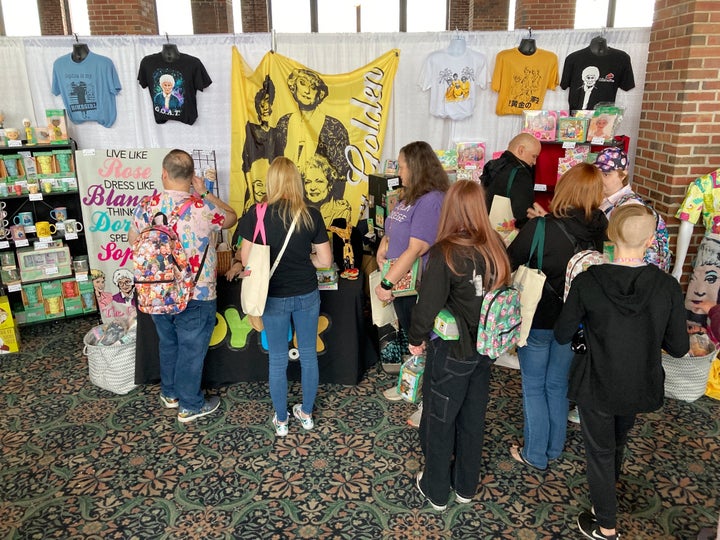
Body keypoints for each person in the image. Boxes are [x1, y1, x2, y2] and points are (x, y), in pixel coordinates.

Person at [554, 204, 688, 540]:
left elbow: (562, 333)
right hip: (639, 379)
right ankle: (608, 490)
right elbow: (679, 347)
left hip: (596, 379)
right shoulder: (666, 285)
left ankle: (606, 525)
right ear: (650, 241)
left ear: (611, 235)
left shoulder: (588, 281)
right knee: (617, 438)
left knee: (599, 449)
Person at [407, 180, 512, 511]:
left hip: (453, 351)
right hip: (485, 350)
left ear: (450, 208)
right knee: (472, 417)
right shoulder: (495, 245)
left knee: (440, 417)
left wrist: (415, 338)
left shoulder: (446, 252)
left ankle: (436, 489)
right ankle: (466, 484)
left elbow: (427, 305)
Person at [506, 162, 608, 470]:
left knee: (534, 385)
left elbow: (510, 260)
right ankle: (553, 448)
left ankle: (535, 454)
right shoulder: (601, 229)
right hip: (574, 321)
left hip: (537, 317)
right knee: (557, 385)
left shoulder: (542, 228)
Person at [129, 149, 237, 423]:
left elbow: (133, 242)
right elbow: (232, 217)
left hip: (157, 291)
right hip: (196, 292)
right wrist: (205, 193)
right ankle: (190, 405)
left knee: (168, 343)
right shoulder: (202, 208)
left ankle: (170, 393)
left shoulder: (146, 207)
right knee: (191, 349)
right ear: (192, 178)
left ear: (164, 173)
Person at [235, 156, 332, 437]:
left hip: (272, 297)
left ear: (272, 181)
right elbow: (325, 260)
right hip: (306, 294)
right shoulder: (310, 214)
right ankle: (307, 414)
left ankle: (281, 420)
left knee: (277, 359)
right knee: (308, 356)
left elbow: (245, 258)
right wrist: (307, 258)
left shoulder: (257, 214)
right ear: (296, 181)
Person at [374, 141, 449, 427]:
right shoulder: (410, 197)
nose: (398, 171)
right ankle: (410, 385)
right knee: (411, 338)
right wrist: (384, 244)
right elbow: (395, 227)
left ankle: (427, 402)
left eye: (402, 165)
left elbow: (417, 247)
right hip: (402, 283)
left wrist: (387, 283)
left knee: (425, 343)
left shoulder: (432, 200)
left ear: (416, 167)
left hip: (416, 284)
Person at [594, 146, 670, 271]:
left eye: (606, 174)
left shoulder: (630, 206)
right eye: (598, 173)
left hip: (632, 275)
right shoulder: (607, 200)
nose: (600, 179)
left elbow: (623, 248)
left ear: (623, 175)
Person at [274, 68, 351, 183]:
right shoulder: (284, 123)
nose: (307, 91)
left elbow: (343, 172)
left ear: (320, 94)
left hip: (321, 196)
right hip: (287, 192)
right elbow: (276, 164)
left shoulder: (334, 127)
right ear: (293, 87)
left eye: (313, 87)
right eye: (303, 83)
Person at [481, 132, 541, 229]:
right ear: (521, 150)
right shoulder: (520, 174)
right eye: (534, 156)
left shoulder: (492, 165)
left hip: (485, 230)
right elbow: (522, 214)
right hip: (506, 235)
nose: (534, 162)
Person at [301, 153, 351, 228]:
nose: (312, 187)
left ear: (330, 184)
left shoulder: (341, 212)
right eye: (308, 182)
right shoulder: (300, 211)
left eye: (319, 181)